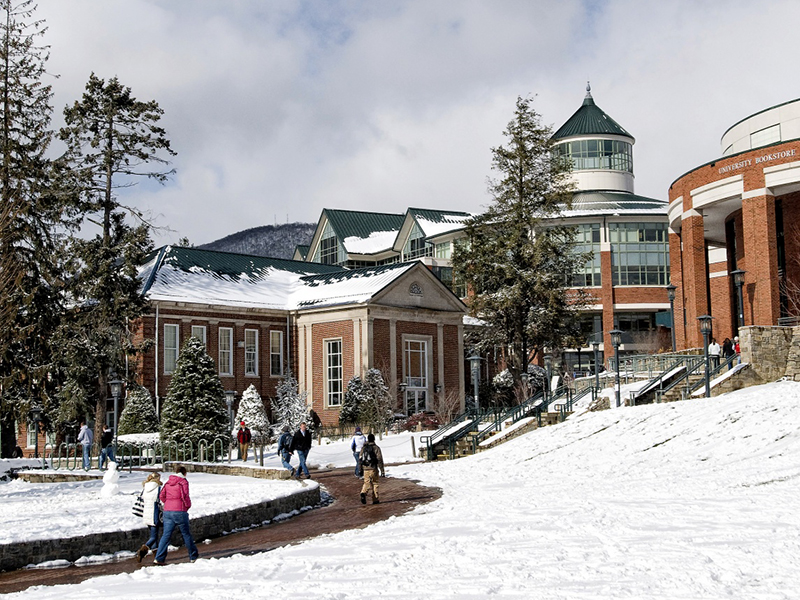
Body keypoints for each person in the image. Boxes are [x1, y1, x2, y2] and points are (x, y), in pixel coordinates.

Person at [154, 465, 199, 565]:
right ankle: (193, 556)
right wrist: (187, 505)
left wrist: (168, 503)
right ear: (184, 473)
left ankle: (159, 558)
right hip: (180, 511)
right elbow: (185, 496)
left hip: (167, 511)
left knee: (166, 535)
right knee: (186, 534)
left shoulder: (168, 482)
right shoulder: (183, 482)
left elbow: (161, 495)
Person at [136, 472, 163, 563]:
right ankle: (142, 551)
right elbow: (161, 501)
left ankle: (157, 557)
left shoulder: (145, 488)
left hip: (146, 514)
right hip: (154, 514)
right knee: (153, 537)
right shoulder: (158, 488)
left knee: (153, 535)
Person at [359, 433, 385, 505]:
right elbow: (379, 459)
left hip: (365, 468)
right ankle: (375, 499)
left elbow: (360, 459)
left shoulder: (363, 448)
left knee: (366, 482)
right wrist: (382, 470)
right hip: (373, 468)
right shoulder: (376, 448)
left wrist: (360, 469)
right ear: (374, 439)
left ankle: (363, 492)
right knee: (375, 483)